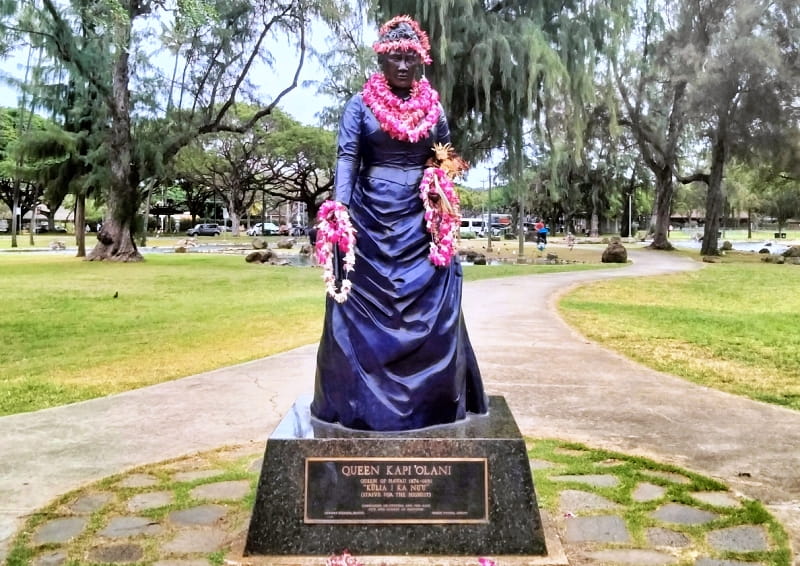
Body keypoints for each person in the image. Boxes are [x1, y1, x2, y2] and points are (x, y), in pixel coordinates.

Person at [311, 15, 488, 432]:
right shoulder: (360, 105)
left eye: (411, 58)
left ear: (421, 61)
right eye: (395, 58)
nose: (404, 66)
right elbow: (347, 158)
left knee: (435, 304)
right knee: (357, 306)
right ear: (381, 61)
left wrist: (442, 191)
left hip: (421, 222)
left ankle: (431, 402)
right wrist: (339, 210)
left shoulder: (433, 107)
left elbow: (443, 156)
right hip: (370, 218)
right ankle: (361, 403)